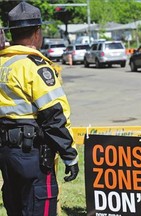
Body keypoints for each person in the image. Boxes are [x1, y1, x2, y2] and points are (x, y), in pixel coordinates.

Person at [0, 2, 79, 215]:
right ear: (37, 33)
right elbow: (53, 116)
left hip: (7, 155)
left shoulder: (3, 65)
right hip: (33, 156)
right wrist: (69, 156)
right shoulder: (34, 67)